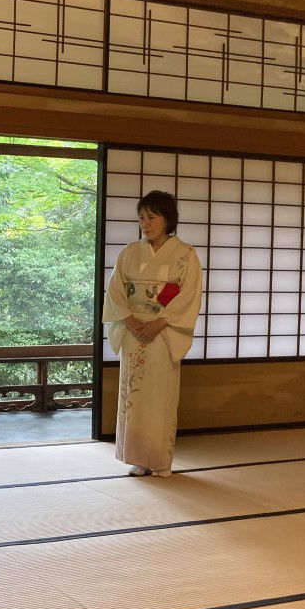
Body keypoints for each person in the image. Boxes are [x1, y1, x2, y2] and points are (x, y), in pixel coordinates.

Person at [102, 191, 202, 478]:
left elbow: (190, 295)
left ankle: (160, 460)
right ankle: (139, 458)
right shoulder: (129, 252)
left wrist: (158, 323)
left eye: (152, 217)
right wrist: (132, 321)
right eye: (141, 218)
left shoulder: (185, 254)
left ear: (167, 219)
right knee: (134, 395)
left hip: (164, 333)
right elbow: (116, 292)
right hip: (134, 332)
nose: (145, 224)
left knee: (160, 396)